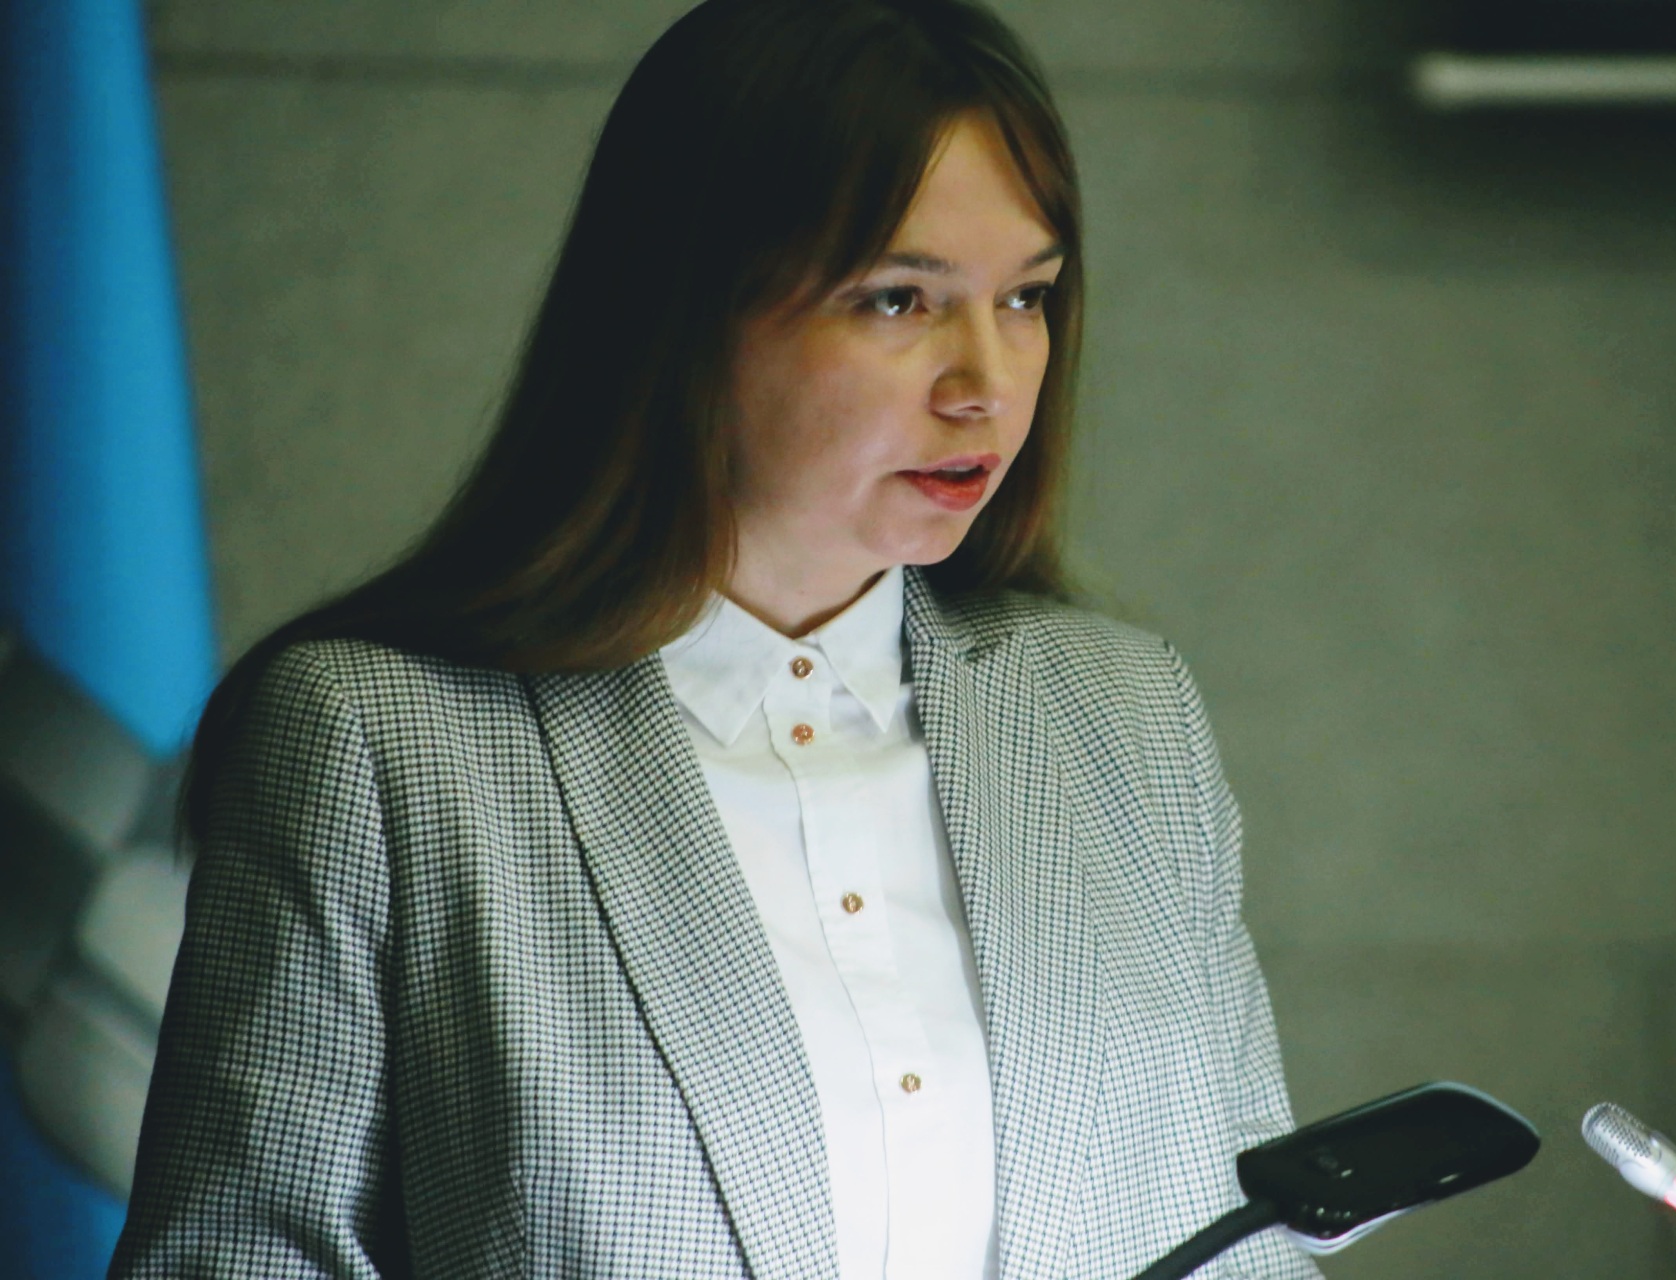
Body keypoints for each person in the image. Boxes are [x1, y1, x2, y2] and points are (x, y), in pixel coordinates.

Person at [110, 0, 1322, 1276]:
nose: (987, 382)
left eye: (1026, 296)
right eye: (900, 300)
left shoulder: (1126, 714)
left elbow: (1249, 1242)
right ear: (688, 306)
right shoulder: (379, 743)